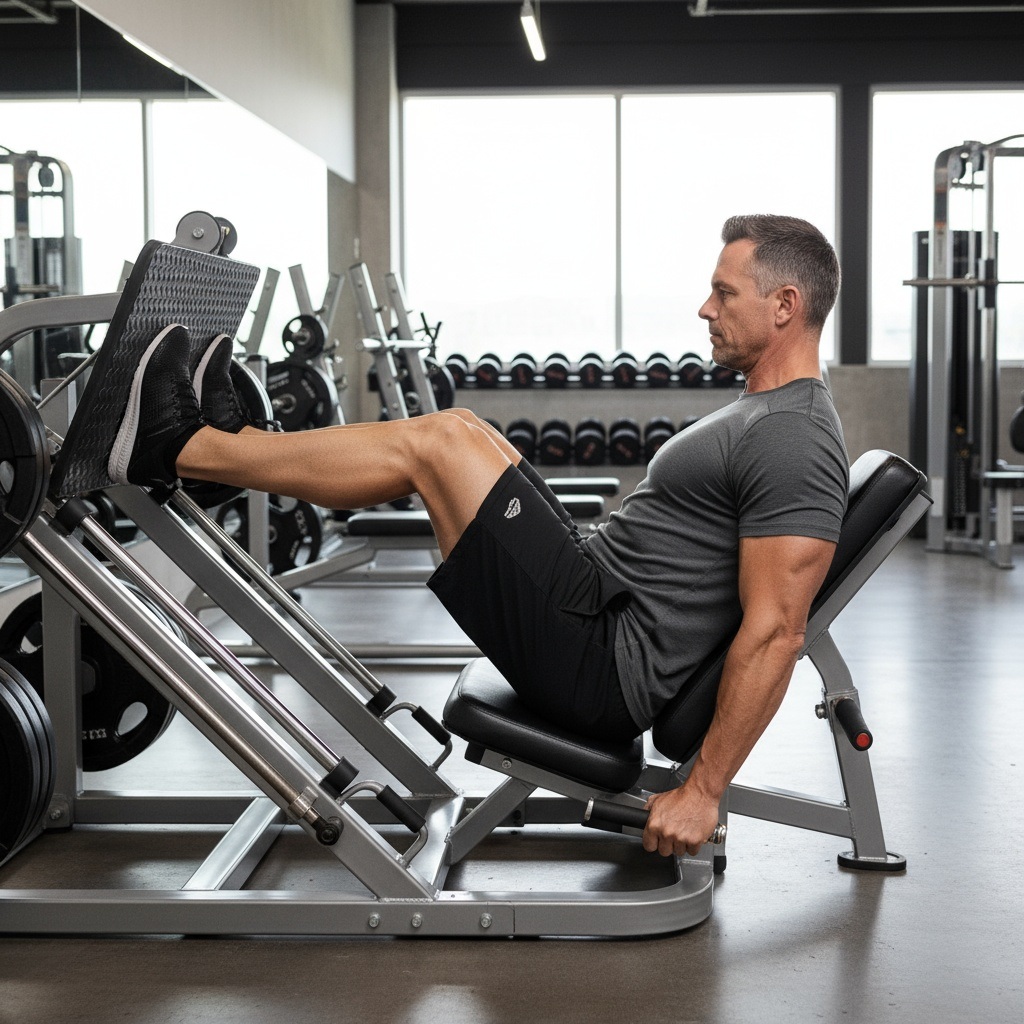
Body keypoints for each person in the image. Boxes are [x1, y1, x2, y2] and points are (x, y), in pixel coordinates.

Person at [104, 214, 848, 861]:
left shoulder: (794, 439)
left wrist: (705, 789)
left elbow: (777, 630)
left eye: (724, 293)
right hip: (593, 600)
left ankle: (185, 448)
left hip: (598, 660)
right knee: (461, 431)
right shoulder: (766, 412)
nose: (704, 308)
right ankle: (231, 449)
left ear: (785, 305)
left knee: (435, 448)